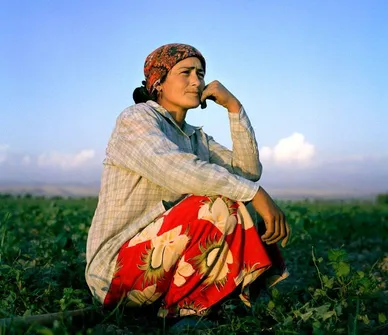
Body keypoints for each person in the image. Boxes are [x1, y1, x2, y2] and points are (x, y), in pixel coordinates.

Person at [85, 43, 290, 319]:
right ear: (159, 82)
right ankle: (183, 314)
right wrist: (255, 193)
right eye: (186, 72)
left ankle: (206, 303)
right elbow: (176, 169)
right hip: (116, 273)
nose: (197, 81)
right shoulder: (136, 119)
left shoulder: (196, 138)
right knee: (216, 204)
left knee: (234, 196)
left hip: (164, 265)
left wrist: (234, 107)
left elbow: (247, 172)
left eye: (200, 73)